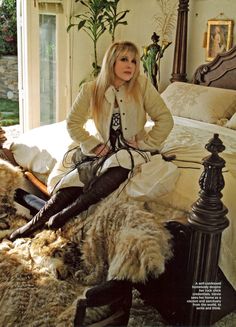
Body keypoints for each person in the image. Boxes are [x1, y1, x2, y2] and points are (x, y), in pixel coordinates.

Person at [9, 40, 174, 242]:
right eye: (124, 59)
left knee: (122, 162)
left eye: (134, 60)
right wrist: (92, 144)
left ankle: (63, 216)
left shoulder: (142, 86)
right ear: (111, 61)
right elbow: (73, 123)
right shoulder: (91, 89)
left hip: (131, 152)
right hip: (101, 150)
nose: (130, 65)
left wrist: (146, 144)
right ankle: (33, 225)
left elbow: (165, 119)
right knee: (76, 179)